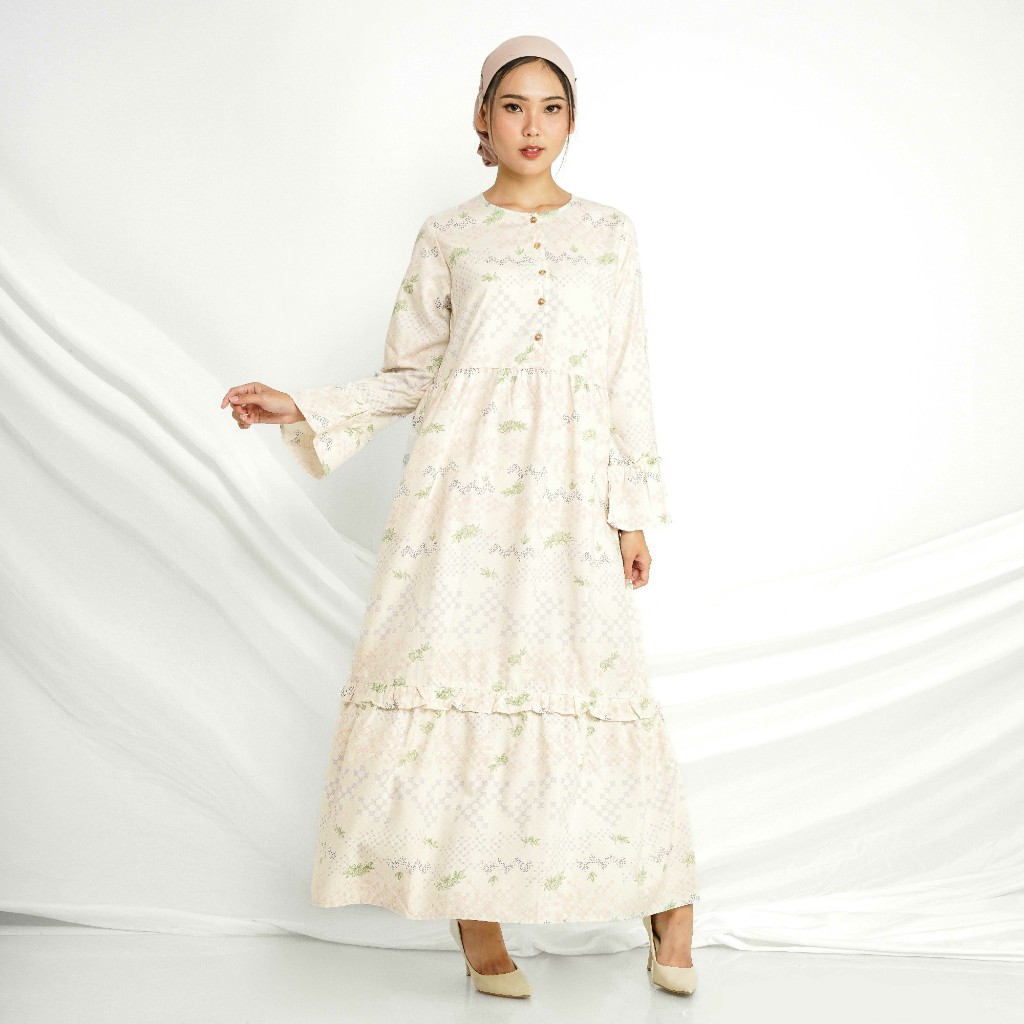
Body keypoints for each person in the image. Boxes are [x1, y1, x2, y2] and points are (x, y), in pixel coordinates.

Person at [220, 34, 700, 1000]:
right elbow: (415, 373)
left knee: (594, 677)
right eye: (513, 106)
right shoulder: (448, 235)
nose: (533, 125)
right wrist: (306, 404)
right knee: (459, 678)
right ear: (483, 119)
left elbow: (626, 379)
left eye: (552, 107)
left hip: (571, 490)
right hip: (462, 491)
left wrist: (632, 513)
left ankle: (667, 897)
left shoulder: (609, 234)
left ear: (573, 121)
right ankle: (476, 915)